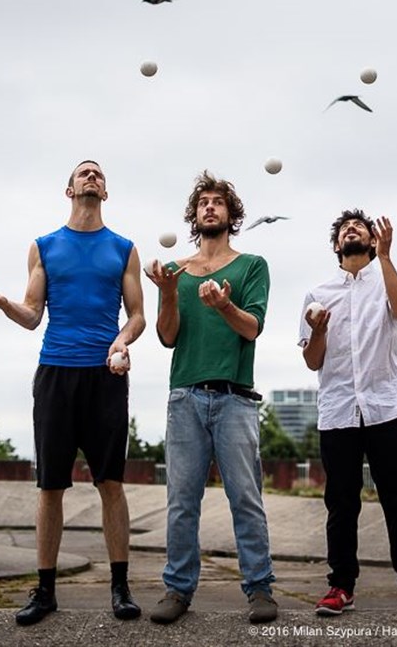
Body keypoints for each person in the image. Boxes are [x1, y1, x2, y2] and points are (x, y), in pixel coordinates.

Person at [0, 160, 145, 626]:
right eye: (84, 173)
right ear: (69, 189)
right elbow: (32, 314)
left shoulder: (124, 249)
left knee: (110, 483)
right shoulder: (44, 247)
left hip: (105, 376)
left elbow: (137, 315)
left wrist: (121, 341)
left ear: (105, 192)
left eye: (98, 175)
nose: (92, 177)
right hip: (56, 374)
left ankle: (120, 588)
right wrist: (0, 302)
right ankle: (45, 591)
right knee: (50, 486)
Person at [145, 170, 277, 626]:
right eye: (203, 202)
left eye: (218, 202)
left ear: (231, 214)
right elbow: (167, 337)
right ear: (194, 215)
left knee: (246, 498)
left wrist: (223, 305)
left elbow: (252, 328)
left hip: (235, 398)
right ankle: (177, 590)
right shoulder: (176, 272)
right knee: (182, 501)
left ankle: (259, 588)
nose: (209, 207)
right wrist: (167, 294)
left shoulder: (251, 266)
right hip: (184, 396)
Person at [299, 209, 397, 619]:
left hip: (384, 406)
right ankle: (340, 586)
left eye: (358, 227)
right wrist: (319, 331)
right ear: (336, 245)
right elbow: (312, 360)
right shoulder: (317, 293)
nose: (351, 230)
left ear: (372, 240)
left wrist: (386, 256)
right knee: (341, 504)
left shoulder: (388, 277)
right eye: (345, 229)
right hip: (338, 411)